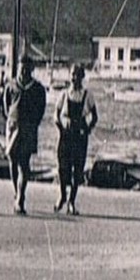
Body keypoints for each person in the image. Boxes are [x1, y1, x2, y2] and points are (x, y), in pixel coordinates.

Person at [53, 64, 99, 215]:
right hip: (65, 136)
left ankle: (72, 201)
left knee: (77, 170)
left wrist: (88, 128)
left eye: (78, 75)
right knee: (62, 167)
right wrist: (60, 128)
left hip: (80, 136)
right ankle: (62, 195)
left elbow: (95, 115)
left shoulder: (87, 95)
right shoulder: (64, 94)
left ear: (82, 77)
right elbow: (56, 114)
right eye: (72, 75)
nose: (74, 78)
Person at [4, 57, 47, 214]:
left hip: (28, 128)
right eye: (21, 69)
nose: (24, 72)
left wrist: (32, 123)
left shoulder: (38, 88)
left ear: (31, 70)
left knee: (24, 164)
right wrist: (11, 121)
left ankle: (20, 199)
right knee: (11, 159)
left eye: (26, 69)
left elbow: (41, 109)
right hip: (13, 127)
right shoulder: (11, 85)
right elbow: (6, 106)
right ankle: (17, 191)